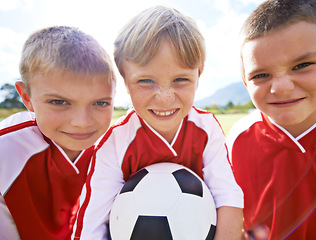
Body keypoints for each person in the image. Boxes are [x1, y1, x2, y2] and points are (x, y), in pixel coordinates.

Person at [72, 5, 244, 240]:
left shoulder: (207, 128)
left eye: (181, 79)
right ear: (124, 81)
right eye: (145, 81)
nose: (164, 97)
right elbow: (91, 224)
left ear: (199, 76)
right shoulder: (115, 141)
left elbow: (228, 198)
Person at [226, 0, 316, 239]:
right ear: (245, 81)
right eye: (261, 74)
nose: (281, 87)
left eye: (302, 65)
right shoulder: (237, 139)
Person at [0, 26, 116, 240]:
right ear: (27, 98)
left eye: (100, 103)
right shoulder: (6, 151)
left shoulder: (118, 147)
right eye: (59, 102)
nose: (82, 122)